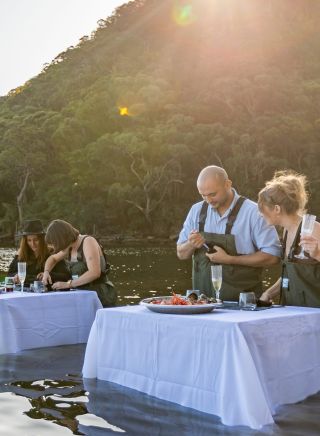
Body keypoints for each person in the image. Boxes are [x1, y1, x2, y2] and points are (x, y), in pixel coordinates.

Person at [177, 165, 281, 301]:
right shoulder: (196, 211)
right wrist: (191, 244)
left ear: (227, 184)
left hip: (244, 306)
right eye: (203, 195)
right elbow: (181, 253)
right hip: (202, 305)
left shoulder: (254, 213)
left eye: (213, 194)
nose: (208, 200)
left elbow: (273, 257)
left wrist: (230, 259)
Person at [258, 170, 320, 307]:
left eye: (263, 208)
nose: (260, 213)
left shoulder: (313, 229)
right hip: (293, 312)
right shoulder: (286, 231)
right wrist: (269, 293)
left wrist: (317, 253)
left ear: (277, 209)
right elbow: (291, 274)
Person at [43, 219, 117, 307]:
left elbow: (94, 273)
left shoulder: (88, 241)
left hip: (99, 295)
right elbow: (53, 259)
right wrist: (46, 272)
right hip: (81, 295)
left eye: (55, 243)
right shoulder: (69, 247)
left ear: (61, 239)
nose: (55, 247)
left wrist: (68, 284)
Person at [8, 219, 70, 286]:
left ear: (42, 239)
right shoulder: (21, 254)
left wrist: (48, 274)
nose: (32, 244)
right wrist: (16, 276)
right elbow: (9, 274)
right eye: (29, 240)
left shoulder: (53, 254)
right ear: (25, 242)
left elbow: (66, 276)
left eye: (36, 240)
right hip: (25, 291)